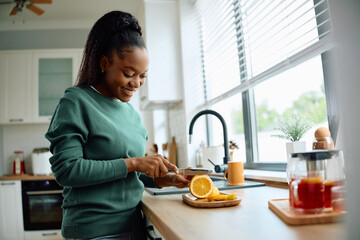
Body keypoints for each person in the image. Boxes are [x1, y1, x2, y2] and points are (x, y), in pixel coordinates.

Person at [45, 11, 190, 240]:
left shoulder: (131, 114)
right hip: (93, 232)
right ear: (104, 63)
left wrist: (164, 180)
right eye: (129, 73)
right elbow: (67, 170)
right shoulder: (76, 101)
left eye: (143, 76)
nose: (136, 83)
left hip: (134, 227)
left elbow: (131, 174)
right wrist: (135, 162)